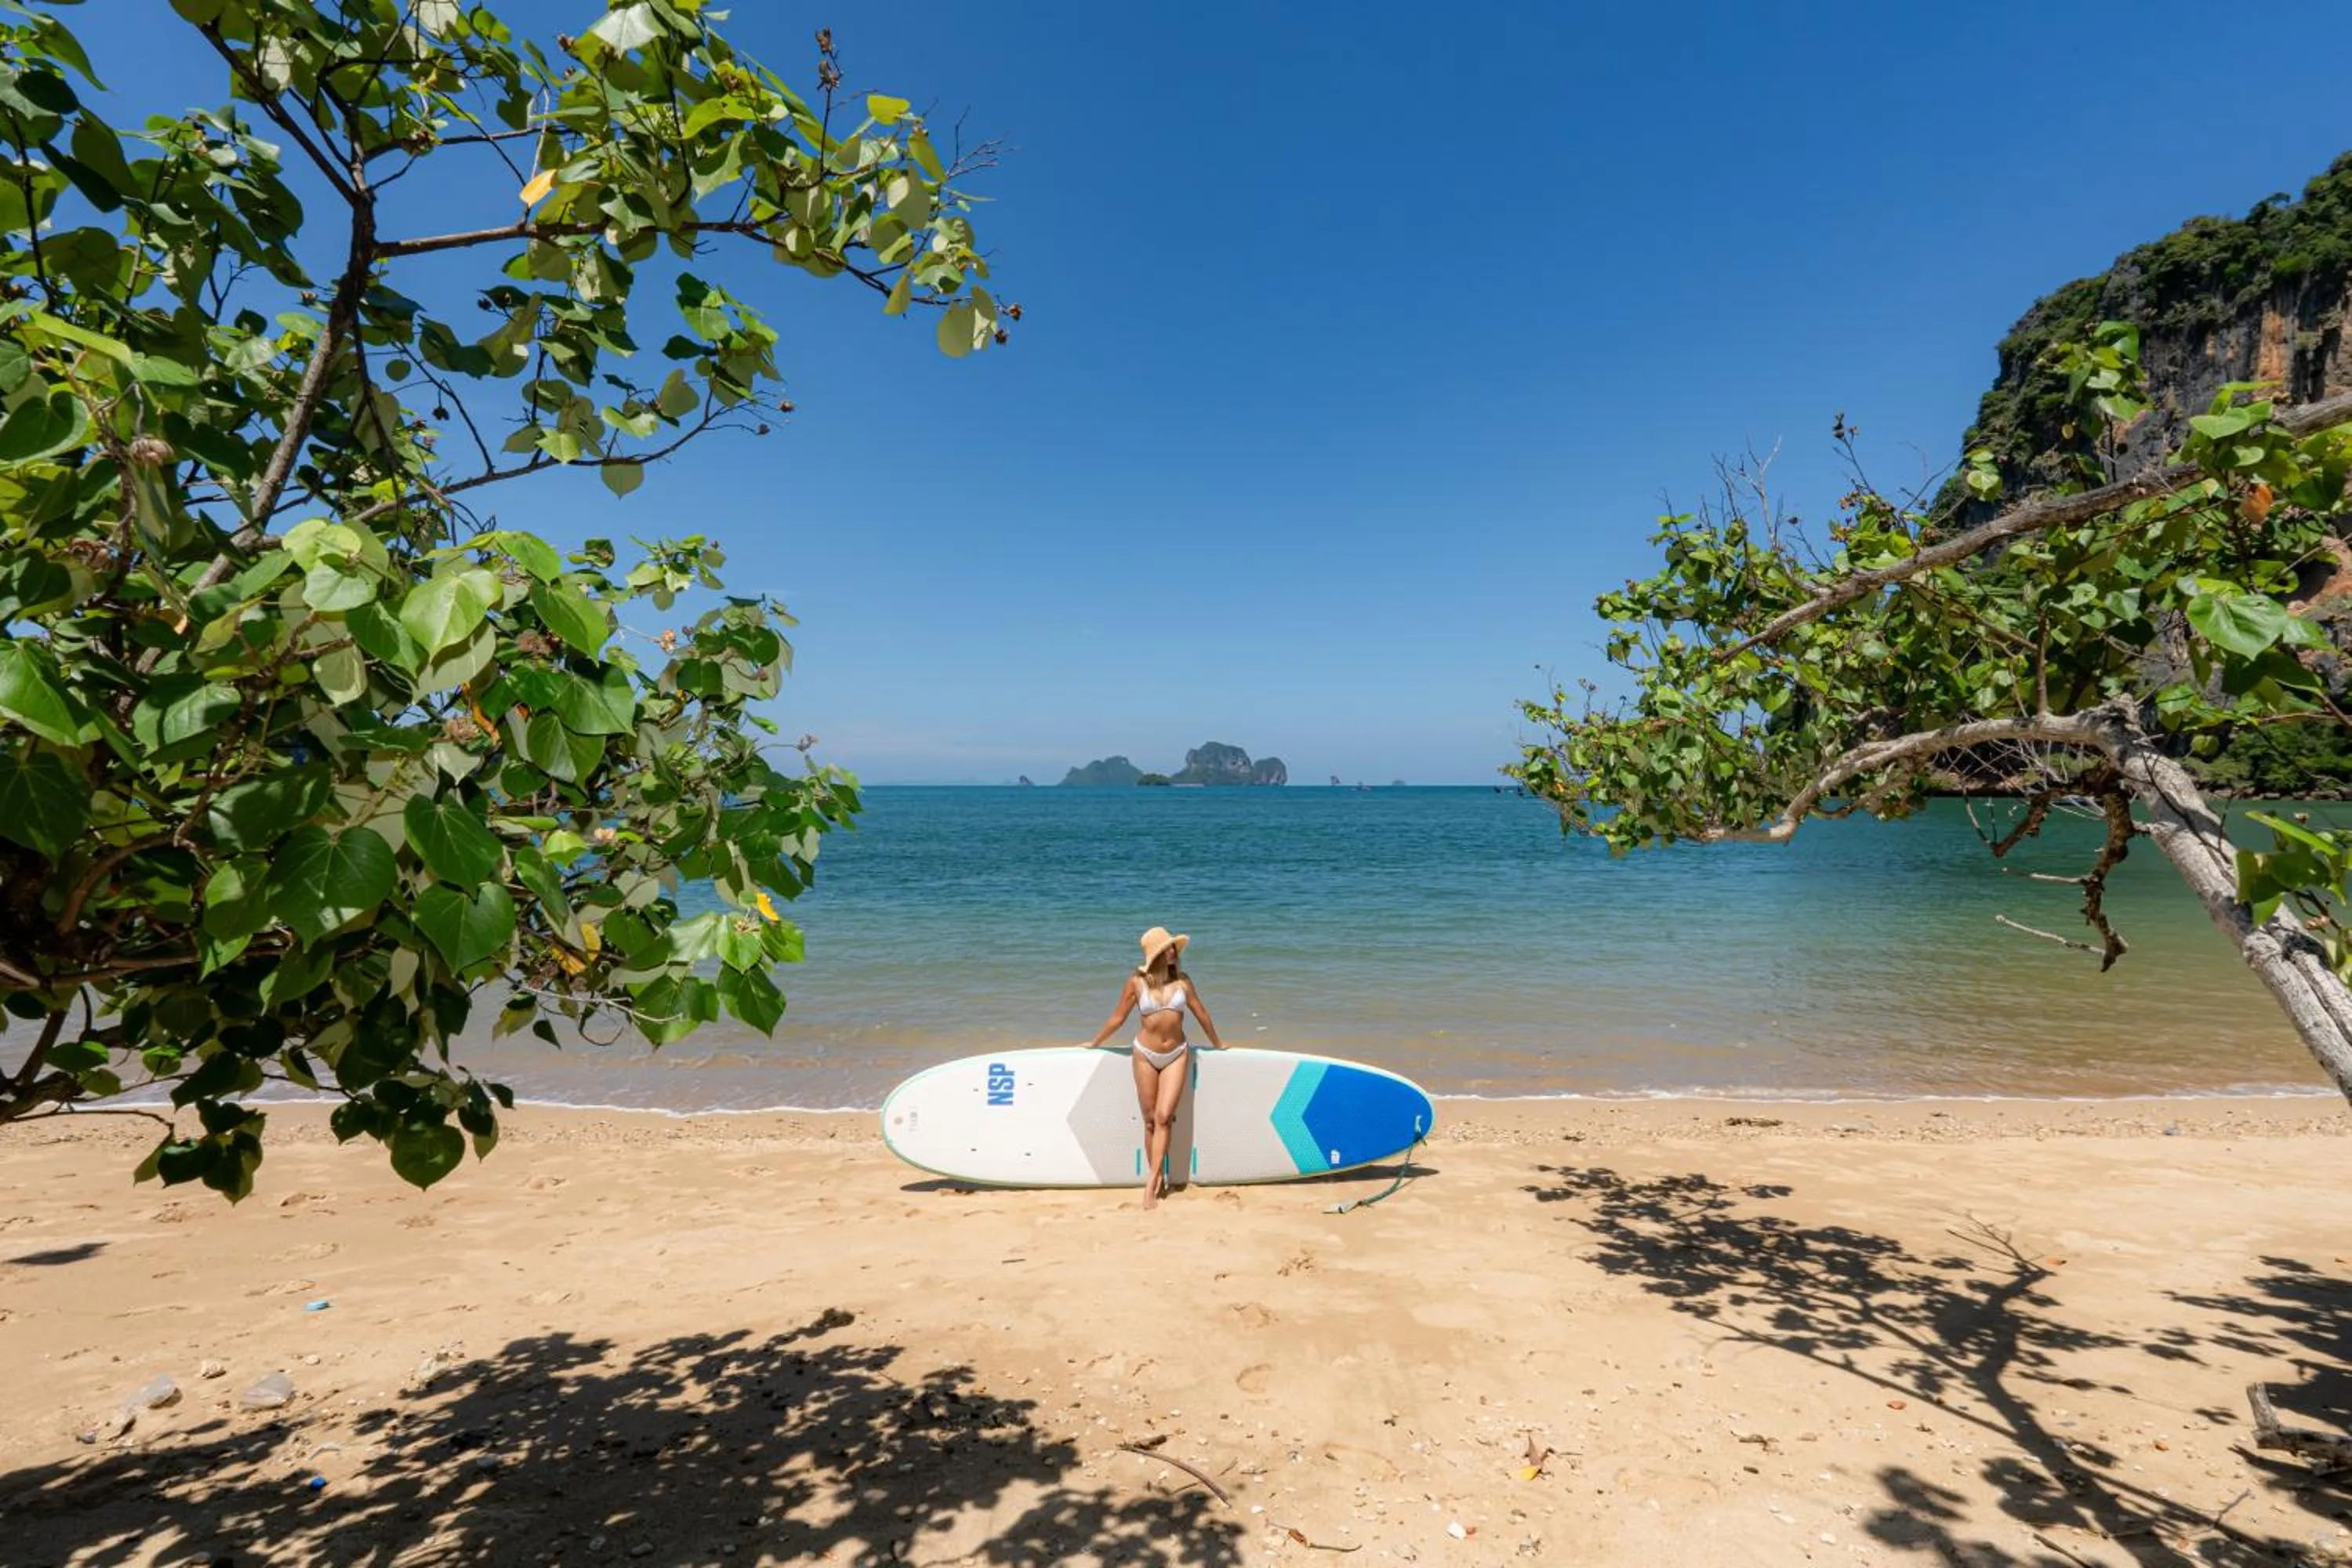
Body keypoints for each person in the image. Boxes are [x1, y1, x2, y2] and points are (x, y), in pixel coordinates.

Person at [1078, 926, 1226, 1208]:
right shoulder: (1136, 982)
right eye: (1168, 948)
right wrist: (1095, 1042)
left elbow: (1202, 1014)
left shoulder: (1183, 982)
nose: (1174, 952)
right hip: (1145, 1054)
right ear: (1156, 954)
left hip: (1177, 1054)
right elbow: (1118, 1017)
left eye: (1174, 948)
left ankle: (1151, 1183)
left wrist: (1218, 1045)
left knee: (1163, 1116)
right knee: (1149, 1120)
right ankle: (1157, 1178)